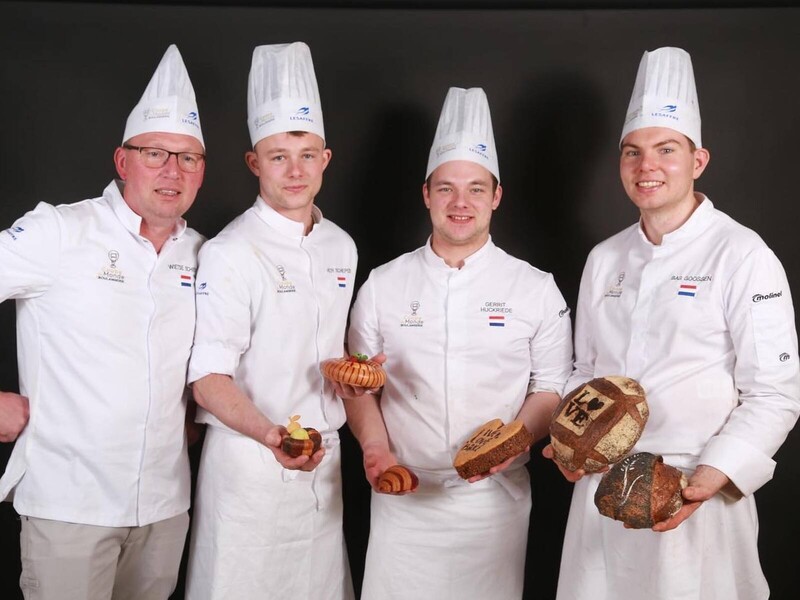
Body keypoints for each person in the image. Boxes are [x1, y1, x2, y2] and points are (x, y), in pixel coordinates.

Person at [545, 46, 800, 600]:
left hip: (695, 488)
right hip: (601, 491)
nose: (647, 167)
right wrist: (571, 439)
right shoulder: (604, 259)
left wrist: (711, 477)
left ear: (698, 160)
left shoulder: (742, 253)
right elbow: (585, 371)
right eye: (632, 153)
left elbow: (775, 393)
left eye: (666, 149)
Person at [341, 87, 573, 599]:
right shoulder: (383, 283)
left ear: (496, 195)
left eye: (475, 188)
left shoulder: (534, 287)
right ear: (426, 195)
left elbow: (552, 387)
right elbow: (358, 384)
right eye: (446, 188)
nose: (460, 203)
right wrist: (375, 449)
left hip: (495, 501)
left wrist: (511, 442)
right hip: (402, 491)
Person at [0, 44, 207, 599]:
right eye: (155, 153)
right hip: (70, 505)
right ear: (122, 161)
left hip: (165, 509)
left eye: (188, 157)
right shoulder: (58, 232)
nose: (172, 170)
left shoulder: (206, 255)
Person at [184, 42, 356, 599]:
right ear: (254, 163)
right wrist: (270, 435)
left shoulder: (341, 246)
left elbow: (328, 349)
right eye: (278, 155)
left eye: (307, 154)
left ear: (326, 159)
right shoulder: (231, 252)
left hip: (323, 464)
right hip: (249, 467)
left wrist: (357, 372)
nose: (295, 170)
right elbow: (208, 380)